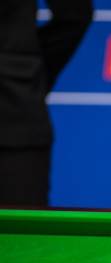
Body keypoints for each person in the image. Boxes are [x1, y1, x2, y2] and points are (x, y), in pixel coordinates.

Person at [0, 0, 93, 206]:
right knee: (21, 233)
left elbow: (75, 15)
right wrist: (25, 74)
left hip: (15, 120)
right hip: (15, 106)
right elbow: (75, 15)